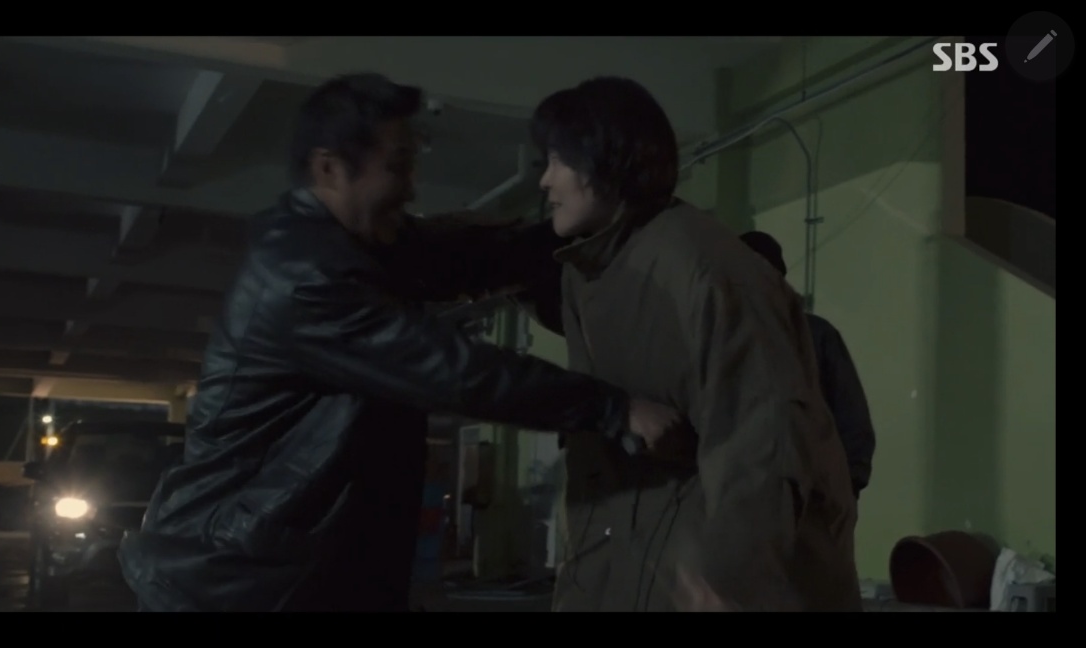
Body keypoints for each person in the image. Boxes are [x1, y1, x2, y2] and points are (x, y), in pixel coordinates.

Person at [117, 73, 680, 612]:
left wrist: (595, 226)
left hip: (291, 572)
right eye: (397, 166)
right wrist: (613, 408)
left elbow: (465, 252)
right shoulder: (303, 277)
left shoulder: (354, 246)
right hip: (238, 586)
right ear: (330, 169)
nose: (411, 187)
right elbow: (451, 370)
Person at [533, 76, 861, 612]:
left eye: (557, 160)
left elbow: (762, 437)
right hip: (639, 570)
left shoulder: (707, 272)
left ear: (606, 158)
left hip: (707, 583)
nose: (545, 180)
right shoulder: (589, 272)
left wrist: (732, 581)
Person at [739, 231, 877, 500]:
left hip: (807, 499)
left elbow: (852, 419)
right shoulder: (719, 339)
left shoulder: (816, 336)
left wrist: (844, 489)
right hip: (746, 500)